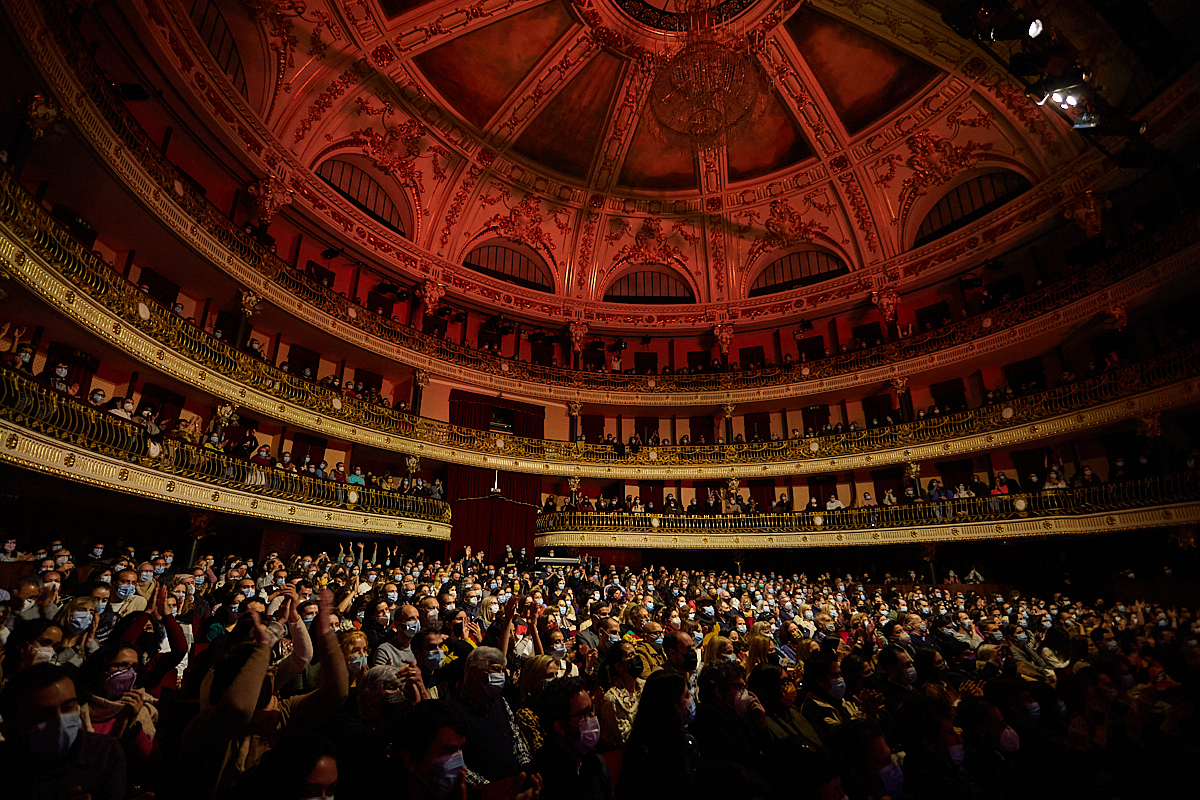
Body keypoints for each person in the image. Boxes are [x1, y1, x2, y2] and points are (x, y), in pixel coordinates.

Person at [0, 663, 128, 800]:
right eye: (44, 715)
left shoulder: (104, 753)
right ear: (14, 725)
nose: (60, 721)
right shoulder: (6, 765)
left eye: (67, 707)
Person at [532, 675, 612, 800]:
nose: (592, 718)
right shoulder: (540, 777)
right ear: (560, 726)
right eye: (583, 714)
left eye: (591, 711)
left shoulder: (596, 762)